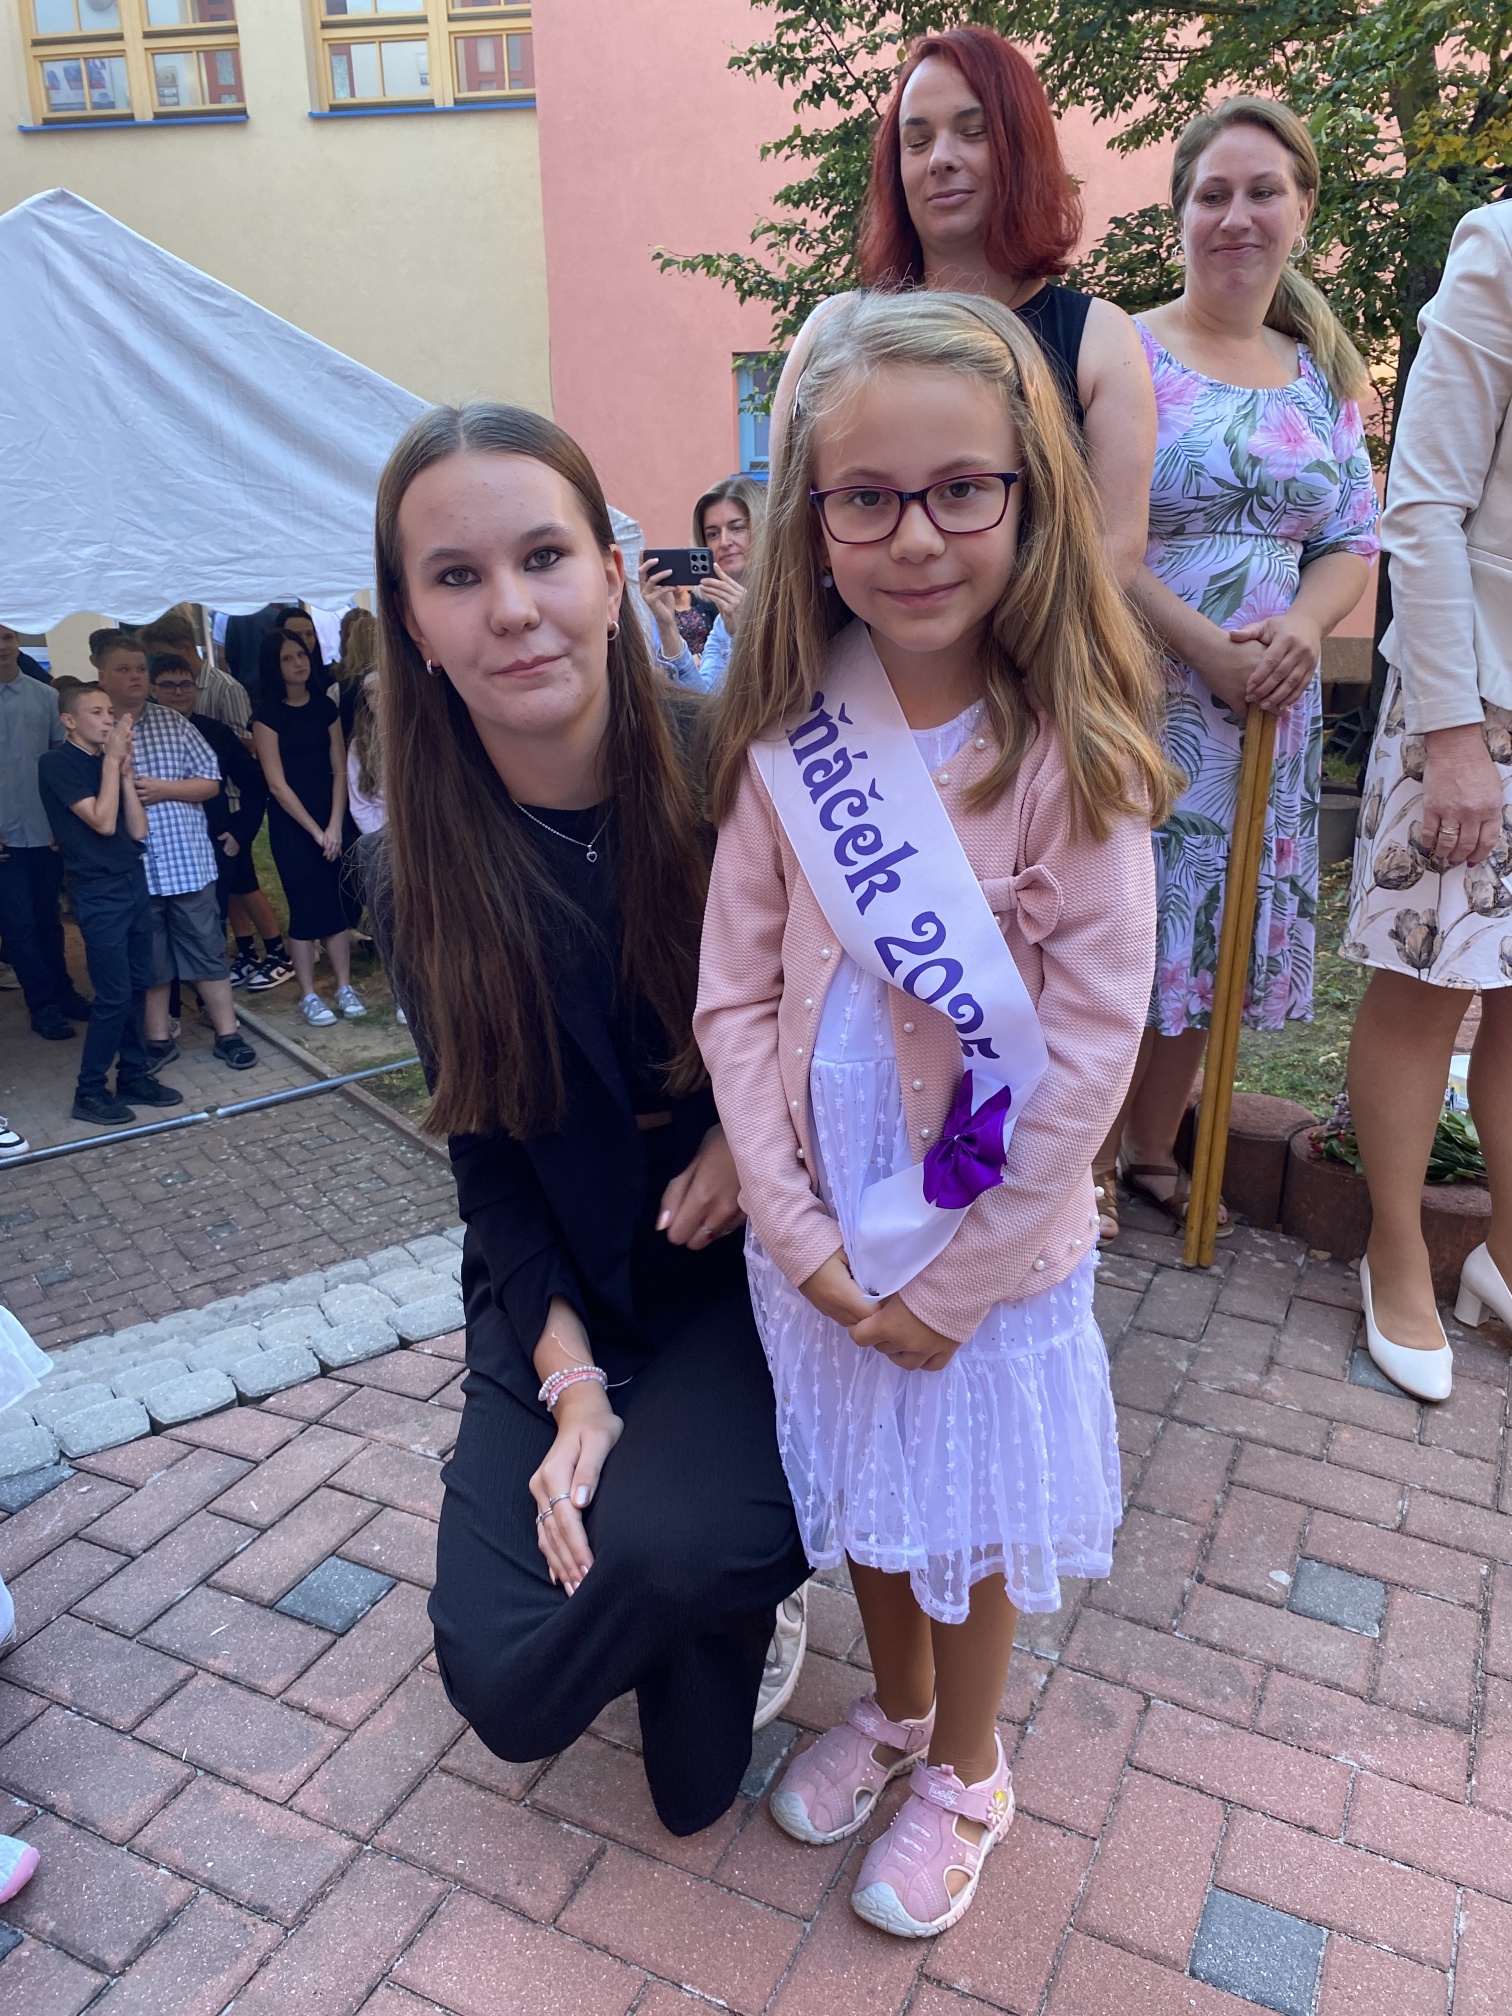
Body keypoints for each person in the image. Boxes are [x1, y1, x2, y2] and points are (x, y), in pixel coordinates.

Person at [696, 291, 1171, 1935]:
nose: (915, 534)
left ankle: (968, 1761)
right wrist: (800, 1237)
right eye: (868, 497)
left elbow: (1090, 1046)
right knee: (869, 1503)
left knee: (964, 1515)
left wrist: (949, 1285)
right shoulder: (786, 735)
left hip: (982, 1252)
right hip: (827, 1238)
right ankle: (894, 1706)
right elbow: (732, 999)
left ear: (1028, 497)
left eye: (961, 488)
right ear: (813, 521)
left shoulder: (1069, 752)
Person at [371, 400, 811, 1837]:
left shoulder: (744, 773)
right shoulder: (418, 874)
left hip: (745, 1278)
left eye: (544, 556)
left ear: (614, 576)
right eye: (457, 577)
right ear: (415, 625)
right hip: (560, 1281)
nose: (510, 609)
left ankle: (703, 1559)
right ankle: (675, 1544)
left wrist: (748, 1134)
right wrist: (571, 1389)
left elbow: (865, 1032)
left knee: (690, 1766)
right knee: (510, 1684)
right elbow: (487, 1163)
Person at [1094, 98, 1380, 1238]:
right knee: (1119, 923)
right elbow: (1092, 536)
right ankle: (1080, 1160)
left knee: (1212, 930)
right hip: (1141, 691)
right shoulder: (1124, 348)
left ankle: (1149, 1146)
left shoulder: (1323, 375)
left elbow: (1350, 538)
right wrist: (1203, 647)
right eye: (1213, 194)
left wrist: (1303, 628)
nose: (1237, 216)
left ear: (1303, 209)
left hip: (1267, 702)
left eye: (1264, 192)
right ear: (1179, 213)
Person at [772, 28, 1156, 587]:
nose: (941, 159)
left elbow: (1113, 548)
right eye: (917, 141)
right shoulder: (830, 329)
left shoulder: (1100, 337)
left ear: (1022, 148)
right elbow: (787, 535)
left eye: (973, 133)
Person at [1339, 200, 1512, 1401]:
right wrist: (1453, 735)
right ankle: (1395, 1253)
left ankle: (1505, 1254)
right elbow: (1426, 502)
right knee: (1427, 984)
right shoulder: (1502, 247)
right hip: (1479, 695)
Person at [95, 637, 258, 1073]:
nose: (135, 676)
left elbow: (211, 783)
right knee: (151, 961)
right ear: (103, 676)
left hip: (186, 861)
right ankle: (158, 1039)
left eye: (140, 669)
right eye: (124, 669)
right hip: (134, 867)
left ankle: (228, 1033)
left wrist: (164, 789)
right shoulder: (95, 731)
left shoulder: (175, 723)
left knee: (207, 951)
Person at [38, 685, 185, 1125]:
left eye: (110, 712)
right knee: (114, 995)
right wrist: (110, 763)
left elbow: (137, 830)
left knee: (140, 983)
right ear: (69, 721)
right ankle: (89, 1091)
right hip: (97, 891)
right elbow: (102, 823)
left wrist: (123, 773)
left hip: (133, 881)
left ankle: (134, 1075)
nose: (108, 720)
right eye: (97, 712)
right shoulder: (57, 764)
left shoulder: (108, 762)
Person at [147, 654, 292, 993]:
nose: (178, 692)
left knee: (223, 906)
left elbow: (253, 782)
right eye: (169, 685)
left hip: (215, 836)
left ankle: (254, 965)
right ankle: (235, 959)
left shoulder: (215, 732)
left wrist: (241, 832)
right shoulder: (144, 734)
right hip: (164, 842)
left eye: (186, 684)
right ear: (153, 689)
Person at [252, 627, 365, 1026]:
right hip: (293, 825)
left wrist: (333, 825)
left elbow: (339, 768)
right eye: (287, 658)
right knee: (304, 907)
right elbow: (276, 783)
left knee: (336, 904)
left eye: (300, 655)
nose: (297, 663)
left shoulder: (325, 707)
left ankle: (344, 985)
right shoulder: (266, 717)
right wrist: (315, 831)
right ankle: (309, 993)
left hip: (331, 816)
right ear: (274, 666)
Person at [0, 621, 91, 1040]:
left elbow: (62, 768)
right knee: (18, 925)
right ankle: (42, 1004)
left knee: (49, 919)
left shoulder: (46, 698)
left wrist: (62, 824)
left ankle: (63, 991)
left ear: (18, 641)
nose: (2, 647)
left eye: (7, 637)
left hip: (44, 832)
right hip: (4, 837)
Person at [638, 477, 766, 691]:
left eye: (737, 528)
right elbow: (702, 700)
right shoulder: (722, 621)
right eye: (712, 534)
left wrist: (745, 634)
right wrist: (667, 626)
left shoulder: (793, 604)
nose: (724, 542)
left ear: (762, 528)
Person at [139, 608, 253, 736]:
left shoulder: (227, 688)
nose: (159, 663)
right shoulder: (158, 688)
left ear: (185, 648)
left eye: (162, 655)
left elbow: (243, 740)